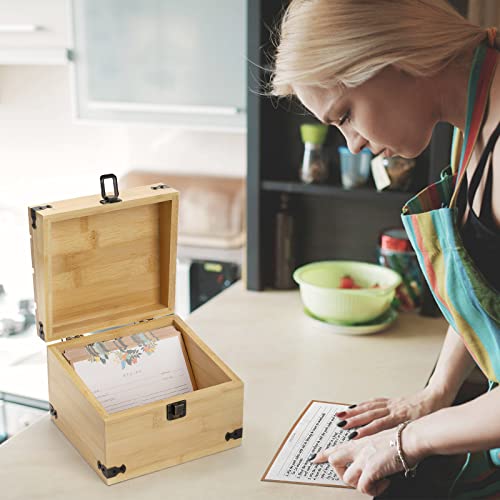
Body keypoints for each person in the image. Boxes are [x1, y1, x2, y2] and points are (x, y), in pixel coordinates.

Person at [271, 0, 500, 498]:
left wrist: (406, 441)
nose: (351, 144)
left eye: (346, 114)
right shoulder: (474, 111)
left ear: (394, 59)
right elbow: (489, 287)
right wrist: (435, 394)